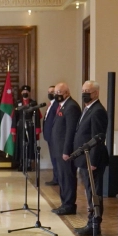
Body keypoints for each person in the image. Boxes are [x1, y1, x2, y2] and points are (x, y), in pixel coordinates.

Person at [71, 80, 109, 236]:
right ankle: (90, 222)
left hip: (92, 161)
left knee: (94, 193)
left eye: (88, 91)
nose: (84, 94)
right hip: (84, 159)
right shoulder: (88, 109)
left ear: (96, 93)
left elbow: (97, 138)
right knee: (88, 192)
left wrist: (92, 162)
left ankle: (94, 225)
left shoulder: (98, 110)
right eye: (83, 91)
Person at [49, 83, 81, 215]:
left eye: (59, 92)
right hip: (58, 149)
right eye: (55, 92)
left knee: (67, 178)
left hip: (65, 151)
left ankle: (69, 205)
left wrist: (66, 151)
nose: (57, 95)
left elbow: (70, 131)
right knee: (62, 178)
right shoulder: (62, 106)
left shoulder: (71, 107)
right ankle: (64, 203)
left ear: (67, 93)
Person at [11, 84, 42, 172]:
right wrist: (13, 128)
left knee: (30, 144)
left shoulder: (33, 103)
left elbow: (37, 116)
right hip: (20, 126)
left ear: (29, 93)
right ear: (21, 93)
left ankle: (28, 164)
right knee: (21, 144)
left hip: (30, 126)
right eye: (24, 91)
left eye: (27, 91)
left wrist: (37, 128)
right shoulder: (17, 103)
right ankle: (21, 163)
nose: (25, 93)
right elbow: (14, 117)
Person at [43, 85, 59, 185]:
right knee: (53, 158)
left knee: (55, 158)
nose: (50, 94)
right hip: (49, 136)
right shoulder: (50, 104)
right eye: (49, 92)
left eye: (52, 92)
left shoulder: (57, 105)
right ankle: (55, 177)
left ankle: (57, 179)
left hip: (54, 137)